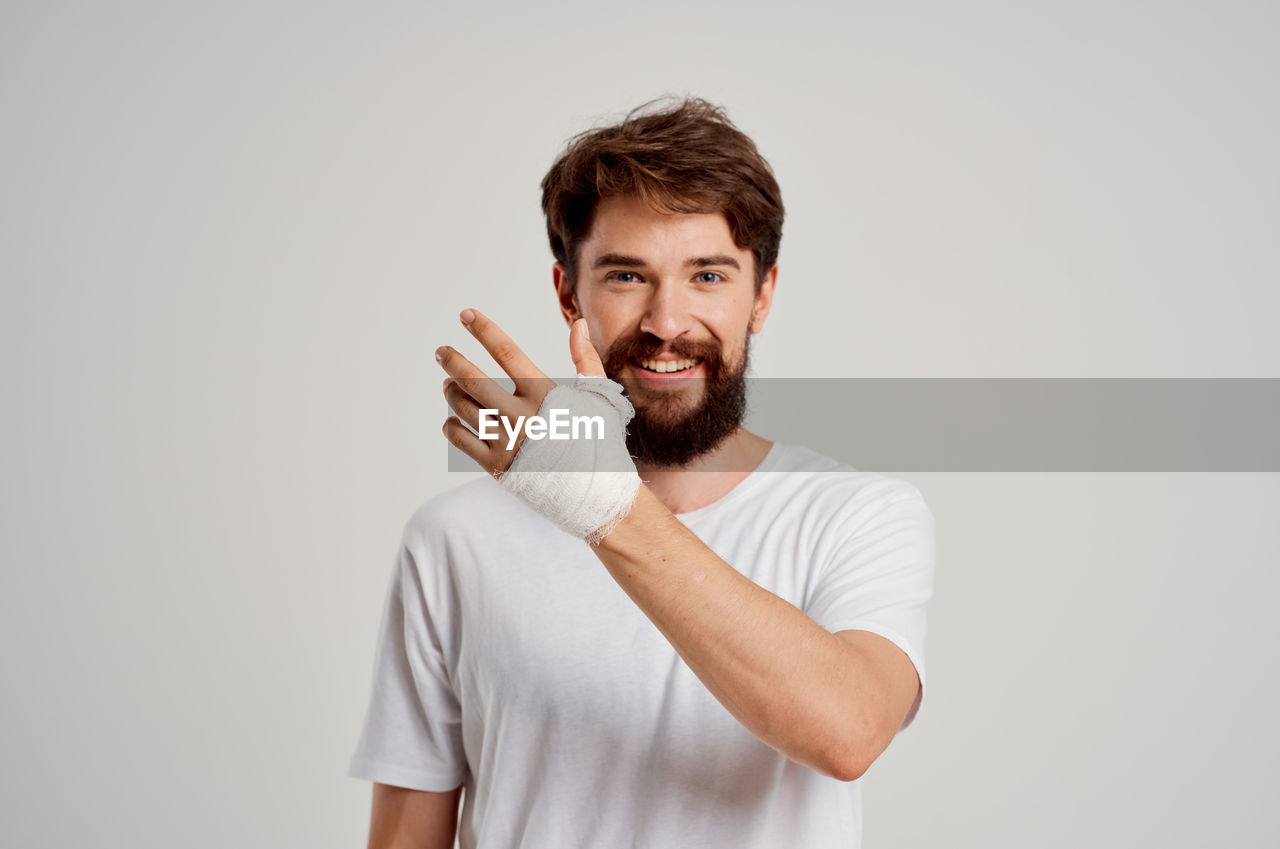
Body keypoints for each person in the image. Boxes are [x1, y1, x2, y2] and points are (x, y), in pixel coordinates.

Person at [348, 97, 936, 849]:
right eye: (627, 275)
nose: (667, 320)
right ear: (569, 293)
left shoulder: (856, 514)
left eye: (709, 276)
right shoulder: (454, 538)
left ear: (763, 295)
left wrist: (603, 503)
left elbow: (847, 732)